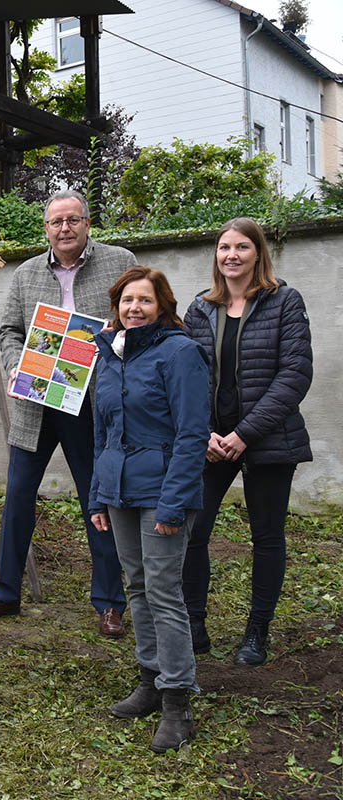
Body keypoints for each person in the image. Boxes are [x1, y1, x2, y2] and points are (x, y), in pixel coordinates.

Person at [0, 190, 132, 636]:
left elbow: (140, 316)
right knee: (19, 495)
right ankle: (5, 592)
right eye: (56, 222)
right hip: (37, 401)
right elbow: (9, 331)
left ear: (87, 223)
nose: (65, 228)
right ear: (46, 228)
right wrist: (14, 364)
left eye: (72, 220)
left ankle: (110, 603)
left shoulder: (120, 262)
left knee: (96, 501)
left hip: (93, 403)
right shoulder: (25, 274)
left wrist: (117, 340)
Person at [182, 218, 312, 666]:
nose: (231, 255)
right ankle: (194, 623)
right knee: (192, 531)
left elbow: (294, 375)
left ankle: (257, 630)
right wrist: (204, 435)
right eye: (223, 248)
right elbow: (185, 378)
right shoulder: (200, 308)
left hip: (269, 438)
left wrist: (244, 434)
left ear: (258, 253)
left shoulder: (284, 302)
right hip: (211, 442)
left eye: (241, 247)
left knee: (267, 537)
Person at [89, 267, 209, 753]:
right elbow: (103, 433)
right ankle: (150, 681)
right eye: (126, 300)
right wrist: (99, 493)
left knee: (163, 592)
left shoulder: (180, 353)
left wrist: (174, 502)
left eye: (145, 300)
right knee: (136, 587)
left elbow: (192, 434)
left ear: (163, 306)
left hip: (163, 492)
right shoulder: (111, 356)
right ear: (116, 306)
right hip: (119, 492)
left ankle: (178, 703)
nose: (134, 308)